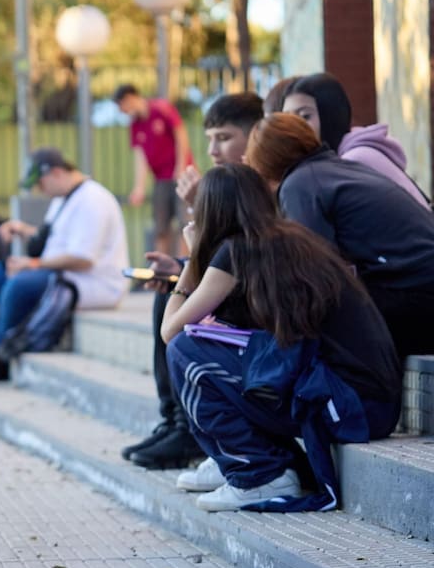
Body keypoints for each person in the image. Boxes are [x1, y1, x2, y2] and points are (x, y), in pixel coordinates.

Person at [161, 164, 401, 512]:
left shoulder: (237, 251)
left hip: (350, 406)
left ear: (211, 212)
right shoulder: (288, 240)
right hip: (369, 404)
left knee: (186, 351)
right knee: (210, 348)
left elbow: (171, 331)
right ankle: (234, 454)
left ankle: (258, 472)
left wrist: (192, 260)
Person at [123, 93, 264, 470]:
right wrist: (184, 263)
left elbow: (236, 253)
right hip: (239, 290)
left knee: (178, 314)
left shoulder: (263, 184)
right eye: (210, 139)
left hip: (261, 315)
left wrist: (200, 216)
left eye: (223, 137)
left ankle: (189, 428)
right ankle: (176, 420)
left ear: (255, 136)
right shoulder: (241, 184)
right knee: (168, 290)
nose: (213, 150)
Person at [245, 113, 434, 360]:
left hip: (415, 296)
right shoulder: (338, 167)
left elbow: (311, 271)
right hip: (418, 286)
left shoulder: (301, 185)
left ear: (265, 164)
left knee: (314, 315)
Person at [0, 148, 127, 381]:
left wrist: (33, 264)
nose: (41, 191)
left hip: (94, 282)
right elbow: (55, 238)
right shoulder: (63, 199)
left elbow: (83, 258)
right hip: (62, 274)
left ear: (57, 173)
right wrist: (23, 230)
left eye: (41, 184)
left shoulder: (94, 200)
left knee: (19, 285)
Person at [278, 72, 429, 205]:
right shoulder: (342, 157)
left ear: (331, 115)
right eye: (286, 119)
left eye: (305, 116)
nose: (294, 126)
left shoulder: (354, 158)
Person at [114, 83, 193, 255]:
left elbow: (181, 135)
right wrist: (139, 187)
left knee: (184, 225)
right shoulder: (135, 124)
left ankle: (184, 267)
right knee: (160, 227)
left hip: (181, 176)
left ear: (130, 98)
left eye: (123, 107)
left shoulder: (161, 109)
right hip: (161, 179)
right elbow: (140, 156)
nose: (123, 112)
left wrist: (181, 166)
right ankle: (161, 271)